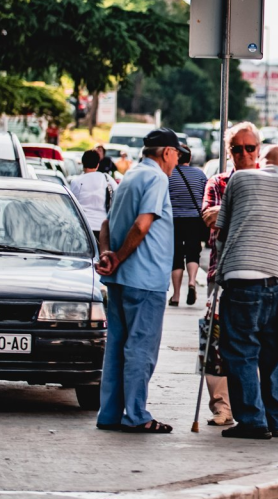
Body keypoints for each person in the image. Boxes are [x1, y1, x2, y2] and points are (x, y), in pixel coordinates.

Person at [204, 143, 278, 440]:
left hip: (241, 277)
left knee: (240, 351)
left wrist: (219, 268)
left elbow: (221, 230)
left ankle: (253, 421)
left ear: (260, 163)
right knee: (274, 353)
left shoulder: (240, 179)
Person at [95, 128, 180, 434]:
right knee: (140, 350)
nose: (177, 161)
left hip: (120, 281)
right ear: (167, 153)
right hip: (145, 280)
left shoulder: (129, 176)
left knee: (117, 348)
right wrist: (119, 256)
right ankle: (136, 415)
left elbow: (106, 223)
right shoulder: (157, 178)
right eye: (177, 155)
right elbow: (142, 225)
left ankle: (109, 414)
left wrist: (108, 253)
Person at [196, 121, 262, 428]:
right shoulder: (218, 182)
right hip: (221, 274)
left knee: (255, 344)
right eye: (237, 149)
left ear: (258, 150)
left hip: (261, 274)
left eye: (250, 148)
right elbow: (210, 224)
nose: (244, 155)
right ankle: (222, 408)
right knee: (216, 342)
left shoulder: (268, 182)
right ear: (229, 152)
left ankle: (251, 407)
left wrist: (226, 215)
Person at [168, 145, 208, 307]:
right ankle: (192, 281)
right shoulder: (199, 174)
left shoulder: (169, 175)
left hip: (174, 220)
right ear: (190, 159)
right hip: (194, 219)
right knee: (193, 252)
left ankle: (176, 295)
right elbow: (206, 196)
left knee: (176, 256)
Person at [69, 150, 117, 243]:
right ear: (98, 164)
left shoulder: (76, 181)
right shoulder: (107, 179)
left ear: (82, 163)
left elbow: (72, 205)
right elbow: (118, 197)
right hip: (103, 227)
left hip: (83, 227)